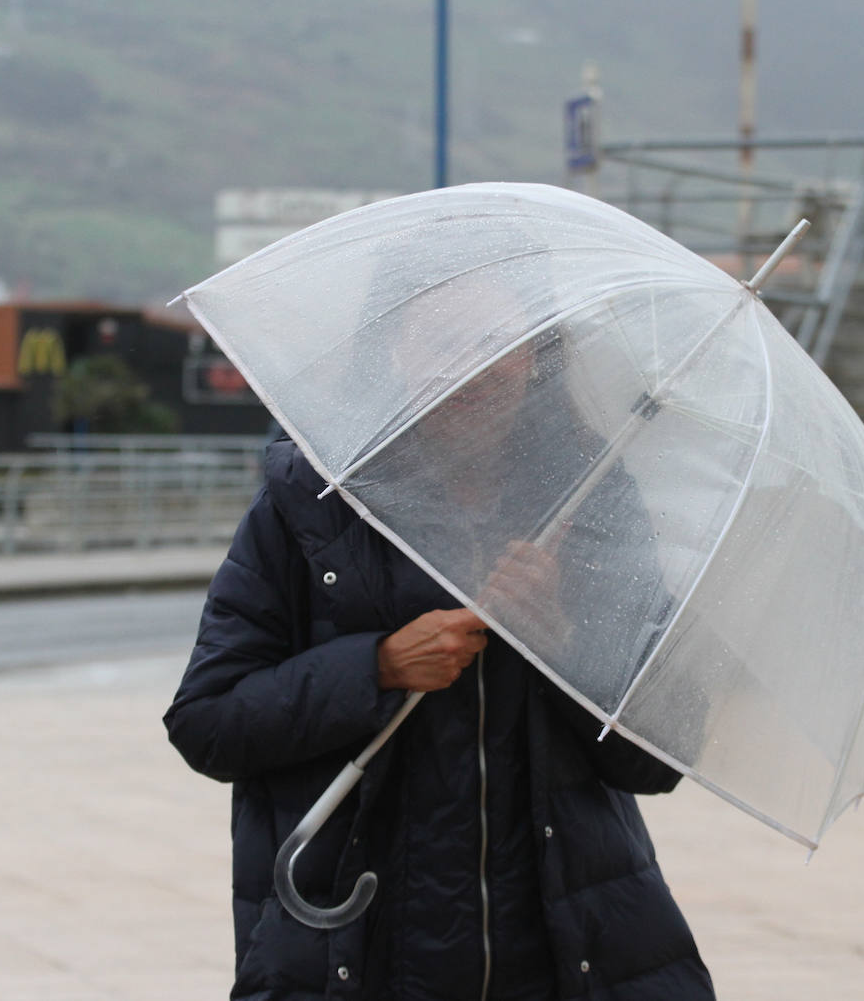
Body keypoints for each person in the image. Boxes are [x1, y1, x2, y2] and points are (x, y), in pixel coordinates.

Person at [164, 337, 716, 1000]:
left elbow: (661, 754)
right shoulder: (315, 502)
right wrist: (377, 668)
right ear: (391, 352)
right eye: (435, 337)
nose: (468, 364)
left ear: (537, 354)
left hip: (564, 960)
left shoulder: (593, 499)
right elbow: (209, 721)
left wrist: (564, 644)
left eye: (497, 339)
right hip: (359, 953)